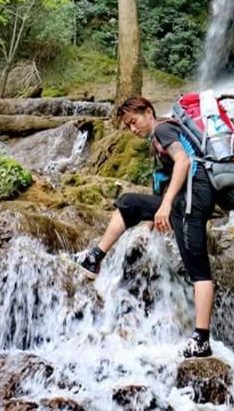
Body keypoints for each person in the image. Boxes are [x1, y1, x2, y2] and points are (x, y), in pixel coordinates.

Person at [75, 95, 216, 358]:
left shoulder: (163, 129)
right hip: (187, 198)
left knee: (198, 269)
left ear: (149, 112)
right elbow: (162, 182)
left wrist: (165, 206)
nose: (132, 128)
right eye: (127, 125)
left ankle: (201, 339)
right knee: (129, 202)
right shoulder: (159, 138)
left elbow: (183, 162)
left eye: (134, 121)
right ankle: (95, 257)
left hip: (192, 198)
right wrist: (151, 221)